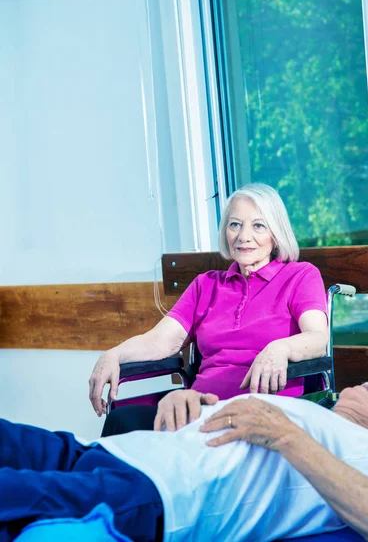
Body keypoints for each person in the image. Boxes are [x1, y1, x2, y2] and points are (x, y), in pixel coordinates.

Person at [1, 374, 368, 542]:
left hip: (154, 495)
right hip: (112, 451)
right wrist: (184, 399)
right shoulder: (318, 409)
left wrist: (284, 435)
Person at [89, 183, 329, 434]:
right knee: (123, 421)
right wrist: (113, 355)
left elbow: (317, 338)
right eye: (235, 224)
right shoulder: (207, 284)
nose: (244, 236)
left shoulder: (300, 276)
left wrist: (280, 347)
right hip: (200, 411)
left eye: (258, 225)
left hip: (261, 416)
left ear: (276, 233)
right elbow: (160, 341)